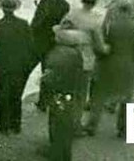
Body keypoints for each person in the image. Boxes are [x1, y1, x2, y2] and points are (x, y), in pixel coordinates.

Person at [84, 0, 134, 138]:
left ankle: (91, 125)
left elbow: (100, 45)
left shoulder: (108, 25)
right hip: (128, 66)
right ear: (131, 12)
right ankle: (123, 129)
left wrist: (98, 58)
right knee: (126, 99)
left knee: (99, 97)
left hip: (107, 65)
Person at [0, 0, 37, 135]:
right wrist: (26, 66)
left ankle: (4, 126)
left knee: (2, 96)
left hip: (2, 68)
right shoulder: (24, 24)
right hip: (20, 68)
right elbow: (31, 47)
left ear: (2, 9)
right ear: (15, 8)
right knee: (16, 96)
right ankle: (16, 125)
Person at [41, 19, 84, 161]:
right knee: (65, 126)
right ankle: (65, 154)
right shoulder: (76, 54)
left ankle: (56, 154)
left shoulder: (57, 54)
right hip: (69, 93)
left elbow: (49, 76)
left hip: (57, 94)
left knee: (56, 125)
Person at [31, 0, 70, 111]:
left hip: (40, 42)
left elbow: (35, 25)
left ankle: (12, 96)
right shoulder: (66, 5)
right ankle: (45, 101)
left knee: (25, 69)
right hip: (55, 42)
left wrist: (39, 8)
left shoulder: (44, 3)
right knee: (48, 71)